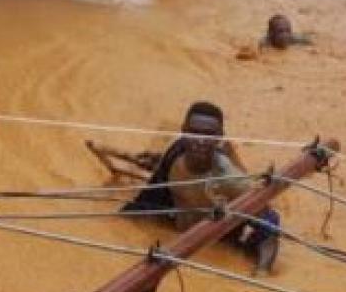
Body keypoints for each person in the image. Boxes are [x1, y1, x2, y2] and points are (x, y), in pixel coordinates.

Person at [90, 101, 281, 274]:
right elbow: (147, 201)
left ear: (219, 137)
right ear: (183, 132)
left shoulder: (229, 179)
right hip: (177, 224)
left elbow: (269, 223)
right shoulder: (174, 156)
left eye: (209, 135)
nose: (200, 141)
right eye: (194, 133)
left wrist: (262, 271)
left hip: (214, 242)